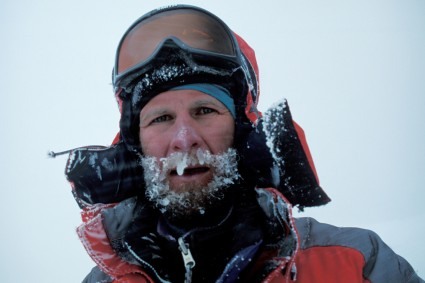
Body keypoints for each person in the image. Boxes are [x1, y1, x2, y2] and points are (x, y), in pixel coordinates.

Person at [59, 4, 423, 283]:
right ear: (135, 146)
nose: (184, 139)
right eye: (161, 118)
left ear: (242, 133)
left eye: (204, 110)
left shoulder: (356, 262)